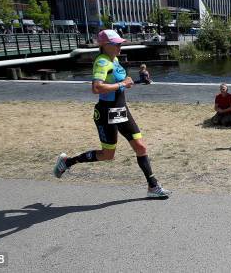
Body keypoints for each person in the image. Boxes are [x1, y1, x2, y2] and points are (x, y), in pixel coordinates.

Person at [53, 29, 170, 198]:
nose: (120, 46)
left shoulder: (114, 59)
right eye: (116, 43)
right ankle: (68, 161)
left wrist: (133, 82)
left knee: (141, 147)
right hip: (107, 111)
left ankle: (153, 186)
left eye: (120, 43)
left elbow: (118, 84)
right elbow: (96, 87)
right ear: (105, 45)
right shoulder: (102, 62)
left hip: (121, 110)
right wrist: (123, 82)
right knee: (108, 155)